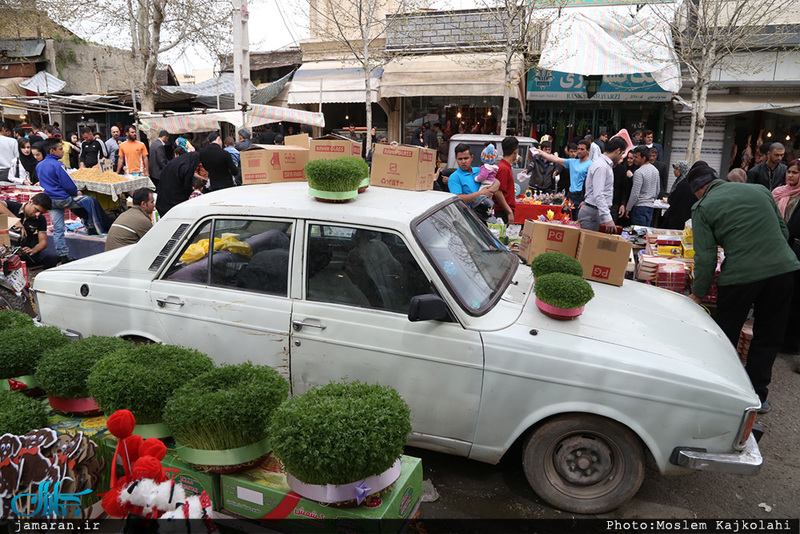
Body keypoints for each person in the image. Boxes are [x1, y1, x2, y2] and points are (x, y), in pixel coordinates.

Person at [688, 162, 800, 413]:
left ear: (699, 189)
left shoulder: (703, 206)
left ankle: (722, 390)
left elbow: (704, 257)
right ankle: (757, 396)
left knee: (725, 335)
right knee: (769, 335)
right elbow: (782, 230)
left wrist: (698, 293)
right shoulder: (760, 191)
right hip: (782, 271)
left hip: (739, 277)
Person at [37, 138, 106, 263]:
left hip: (50, 201)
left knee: (58, 229)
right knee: (89, 201)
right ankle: (91, 225)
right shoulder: (58, 165)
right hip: (63, 199)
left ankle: (63, 255)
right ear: (52, 151)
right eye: (60, 149)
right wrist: (76, 192)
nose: (63, 151)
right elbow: (68, 184)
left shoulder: (39, 165)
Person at [772, 159, 800, 358]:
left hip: (795, 248)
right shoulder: (778, 192)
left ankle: (791, 341)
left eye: (795, 173)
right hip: (777, 246)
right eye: (789, 172)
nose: (790, 175)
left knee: (795, 296)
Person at [578, 136, 629, 232]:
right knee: (590, 245)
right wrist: (608, 218)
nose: (622, 157)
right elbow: (599, 194)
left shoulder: (605, 165)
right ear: (617, 151)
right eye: (622, 153)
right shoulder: (602, 166)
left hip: (596, 211)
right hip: (593, 213)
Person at [0, 193, 60, 269]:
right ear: (30, 202)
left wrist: (33, 250)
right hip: (5, 251)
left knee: (52, 257)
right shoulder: (13, 207)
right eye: (36, 210)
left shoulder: (41, 219)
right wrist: (16, 221)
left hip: (24, 253)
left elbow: (43, 243)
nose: (38, 214)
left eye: (41, 213)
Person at [537, 139, 592, 219]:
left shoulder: (591, 165)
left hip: (581, 196)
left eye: (582, 149)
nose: (579, 151)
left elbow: (592, 185)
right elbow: (555, 159)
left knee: (578, 221)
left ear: (588, 150)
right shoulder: (573, 162)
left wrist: (586, 200)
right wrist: (541, 152)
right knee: (566, 219)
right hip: (570, 195)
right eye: (578, 149)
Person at [447, 143, 500, 217]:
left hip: (485, 214)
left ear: (472, 158)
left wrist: (489, 191)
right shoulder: (454, 177)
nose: (463, 161)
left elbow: (497, 182)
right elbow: (458, 199)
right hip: (467, 217)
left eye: (466, 158)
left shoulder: (479, 170)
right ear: (456, 159)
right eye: (460, 159)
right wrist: (481, 194)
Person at [155, 147, 203, 216]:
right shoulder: (184, 166)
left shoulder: (177, 164)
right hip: (174, 204)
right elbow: (186, 186)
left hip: (165, 202)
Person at [624, 146, 660, 226]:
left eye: (636, 157)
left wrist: (628, 208)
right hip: (650, 206)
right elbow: (657, 190)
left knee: (639, 234)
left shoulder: (638, 172)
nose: (634, 159)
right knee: (645, 233)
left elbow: (635, 193)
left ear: (644, 158)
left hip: (639, 207)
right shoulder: (655, 170)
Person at [662, 161, 696, 230]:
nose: (675, 171)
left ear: (683, 169)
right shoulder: (679, 181)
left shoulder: (684, 183)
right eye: (674, 169)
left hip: (680, 216)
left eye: (677, 169)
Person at [494, 137, 518, 224]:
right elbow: (498, 192)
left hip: (504, 210)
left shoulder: (505, 166)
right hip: (502, 211)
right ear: (515, 151)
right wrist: (509, 211)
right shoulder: (503, 168)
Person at [612, 150, 635, 226]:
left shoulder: (637, 170)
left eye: (631, 158)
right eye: (628, 158)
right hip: (618, 202)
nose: (629, 160)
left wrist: (632, 177)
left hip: (631, 203)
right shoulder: (622, 168)